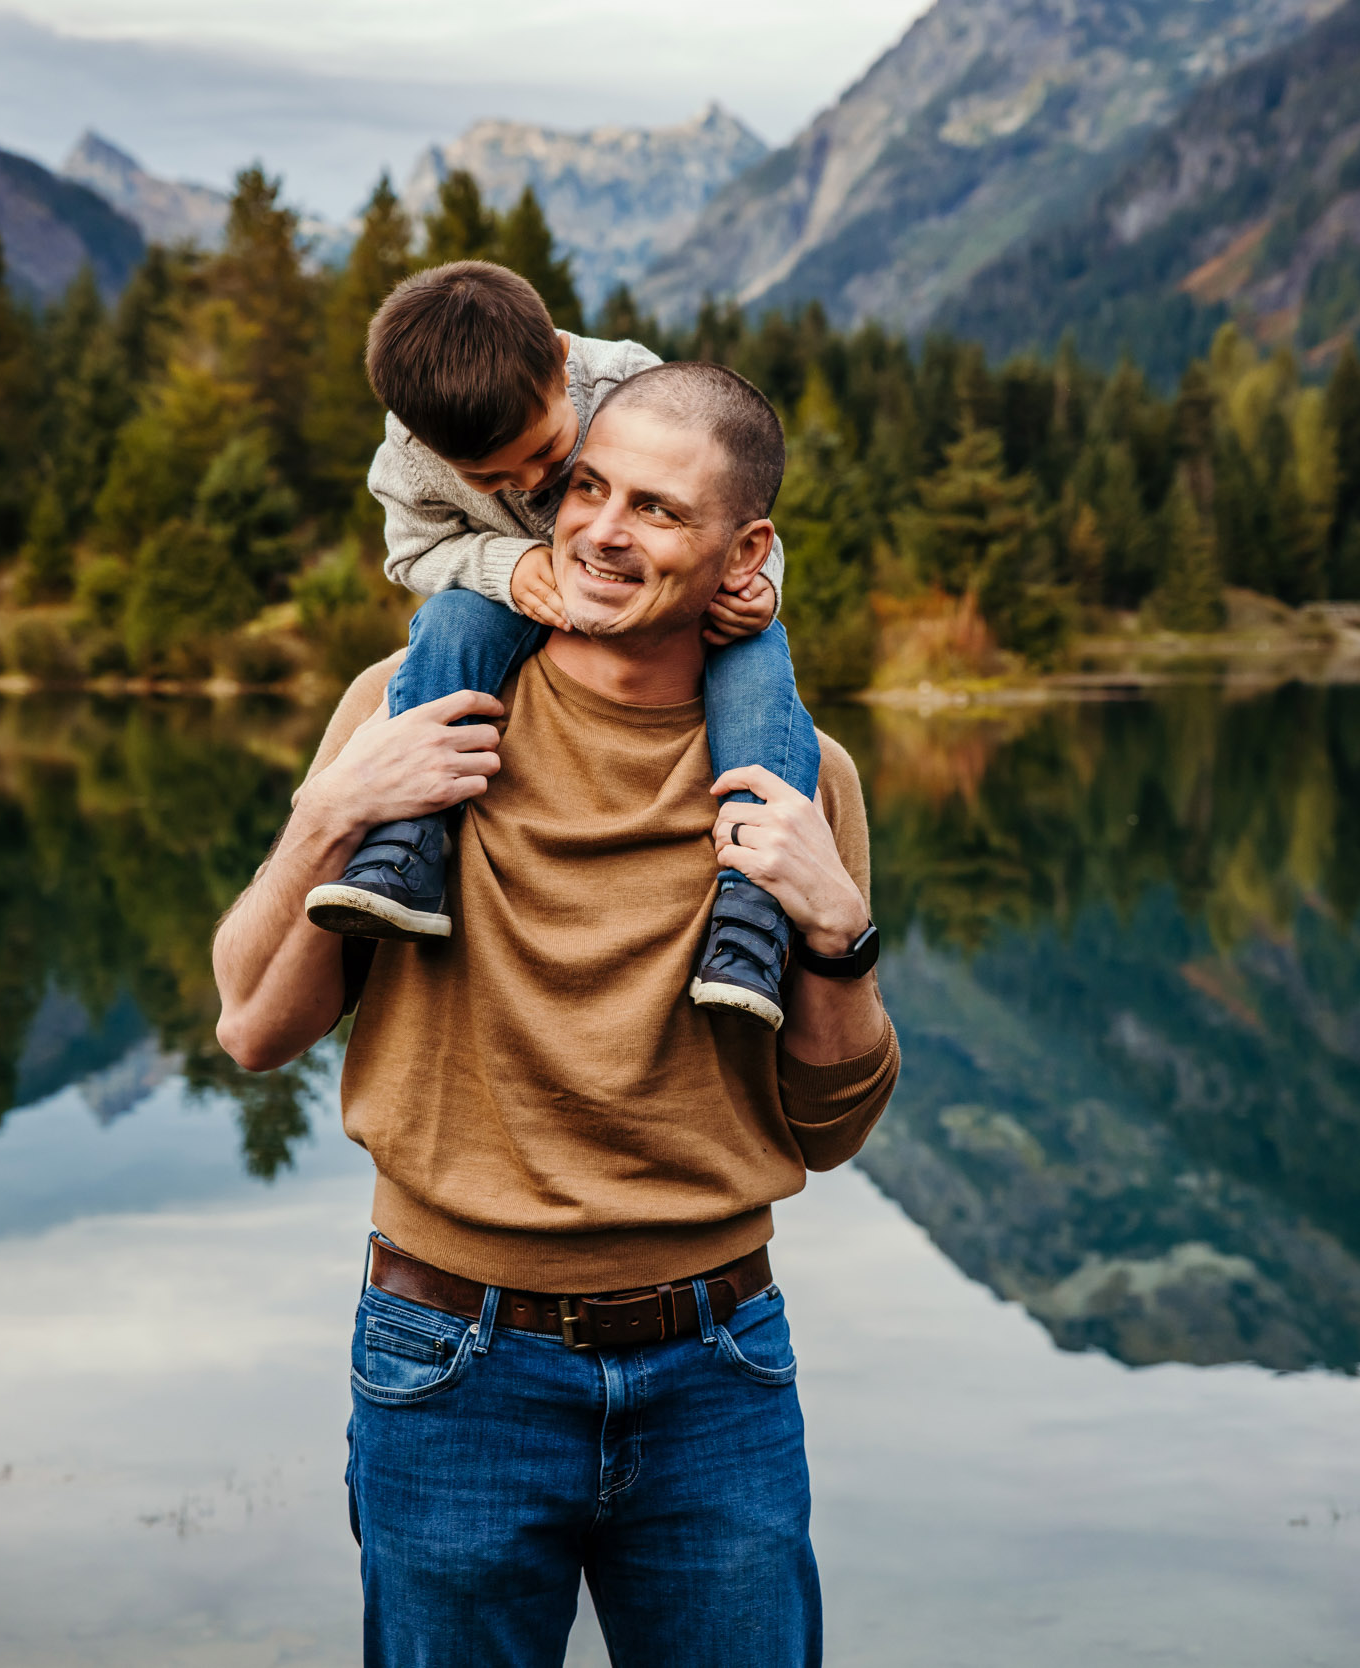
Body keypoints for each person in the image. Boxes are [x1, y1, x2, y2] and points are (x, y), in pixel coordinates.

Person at [211, 360, 900, 1667]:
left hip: (719, 1369)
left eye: (657, 509)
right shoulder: (407, 711)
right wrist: (331, 814)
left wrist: (835, 933)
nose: (601, 529)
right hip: (449, 1360)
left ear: (746, 552)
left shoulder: (802, 779)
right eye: (587, 489)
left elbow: (828, 1128)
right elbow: (253, 1028)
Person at [302, 260, 820, 1029]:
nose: (532, 483)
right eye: (491, 476)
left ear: (560, 358)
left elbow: (732, 501)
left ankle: (753, 908)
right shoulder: (411, 453)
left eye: (551, 457)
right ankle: (407, 844)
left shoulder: (630, 384)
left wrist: (761, 588)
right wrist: (507, 566)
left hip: (668, 606)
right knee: (449, 623)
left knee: (756, 660)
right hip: (515, 599)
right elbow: (411, 555)